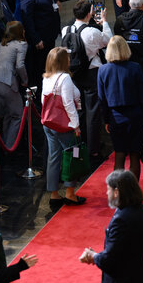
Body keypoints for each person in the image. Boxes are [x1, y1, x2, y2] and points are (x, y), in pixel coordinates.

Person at [79, 170, 143, 283]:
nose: (106, 193)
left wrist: (93, 256)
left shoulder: (121, 219)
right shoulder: (141, 210)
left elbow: (109, 260)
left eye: (108, 189)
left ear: (117, 192)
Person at [64, 0, 113, 159]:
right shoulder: (91, 32)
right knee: (93, 112)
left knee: (79, 110)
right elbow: (108, 41)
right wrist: (104, 21)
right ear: (89, 13)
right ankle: (93, 148)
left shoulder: (67, 30)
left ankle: (80, 144)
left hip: (74, 74)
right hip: (92, 74)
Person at [98, 36, 143, 180]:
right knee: (135, 155)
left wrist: (106, 120)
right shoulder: (135, 68)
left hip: (115, 117)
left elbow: (102, 99)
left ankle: (119, 193)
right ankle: (133, 192)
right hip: (135, 116)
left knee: (119, 155)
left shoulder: (103, 70)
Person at [40, 47, 86, 208]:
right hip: (64, 126)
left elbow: (43, 102)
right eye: (67, 57)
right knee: (72, 156)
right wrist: (76, 125)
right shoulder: (65, 78)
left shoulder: (46, 77)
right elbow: (68, 104)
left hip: (49, 124)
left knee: (53, 157)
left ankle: (53, 194)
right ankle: (70, 193)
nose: (69, 60)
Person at [16, 0, 61, 87]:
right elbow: (27, 18)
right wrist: (36, 39)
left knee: (49, 65)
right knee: (40, 69)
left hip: (49, 34)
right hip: (40, 39)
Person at [0, 21, 28, 149]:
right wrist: (25, 81)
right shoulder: (22, 44)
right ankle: (9, 147)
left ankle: (4, 143)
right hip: (7, 83)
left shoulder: (2, 44)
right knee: (18, 116)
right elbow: (20, 65)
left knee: (8, 114)